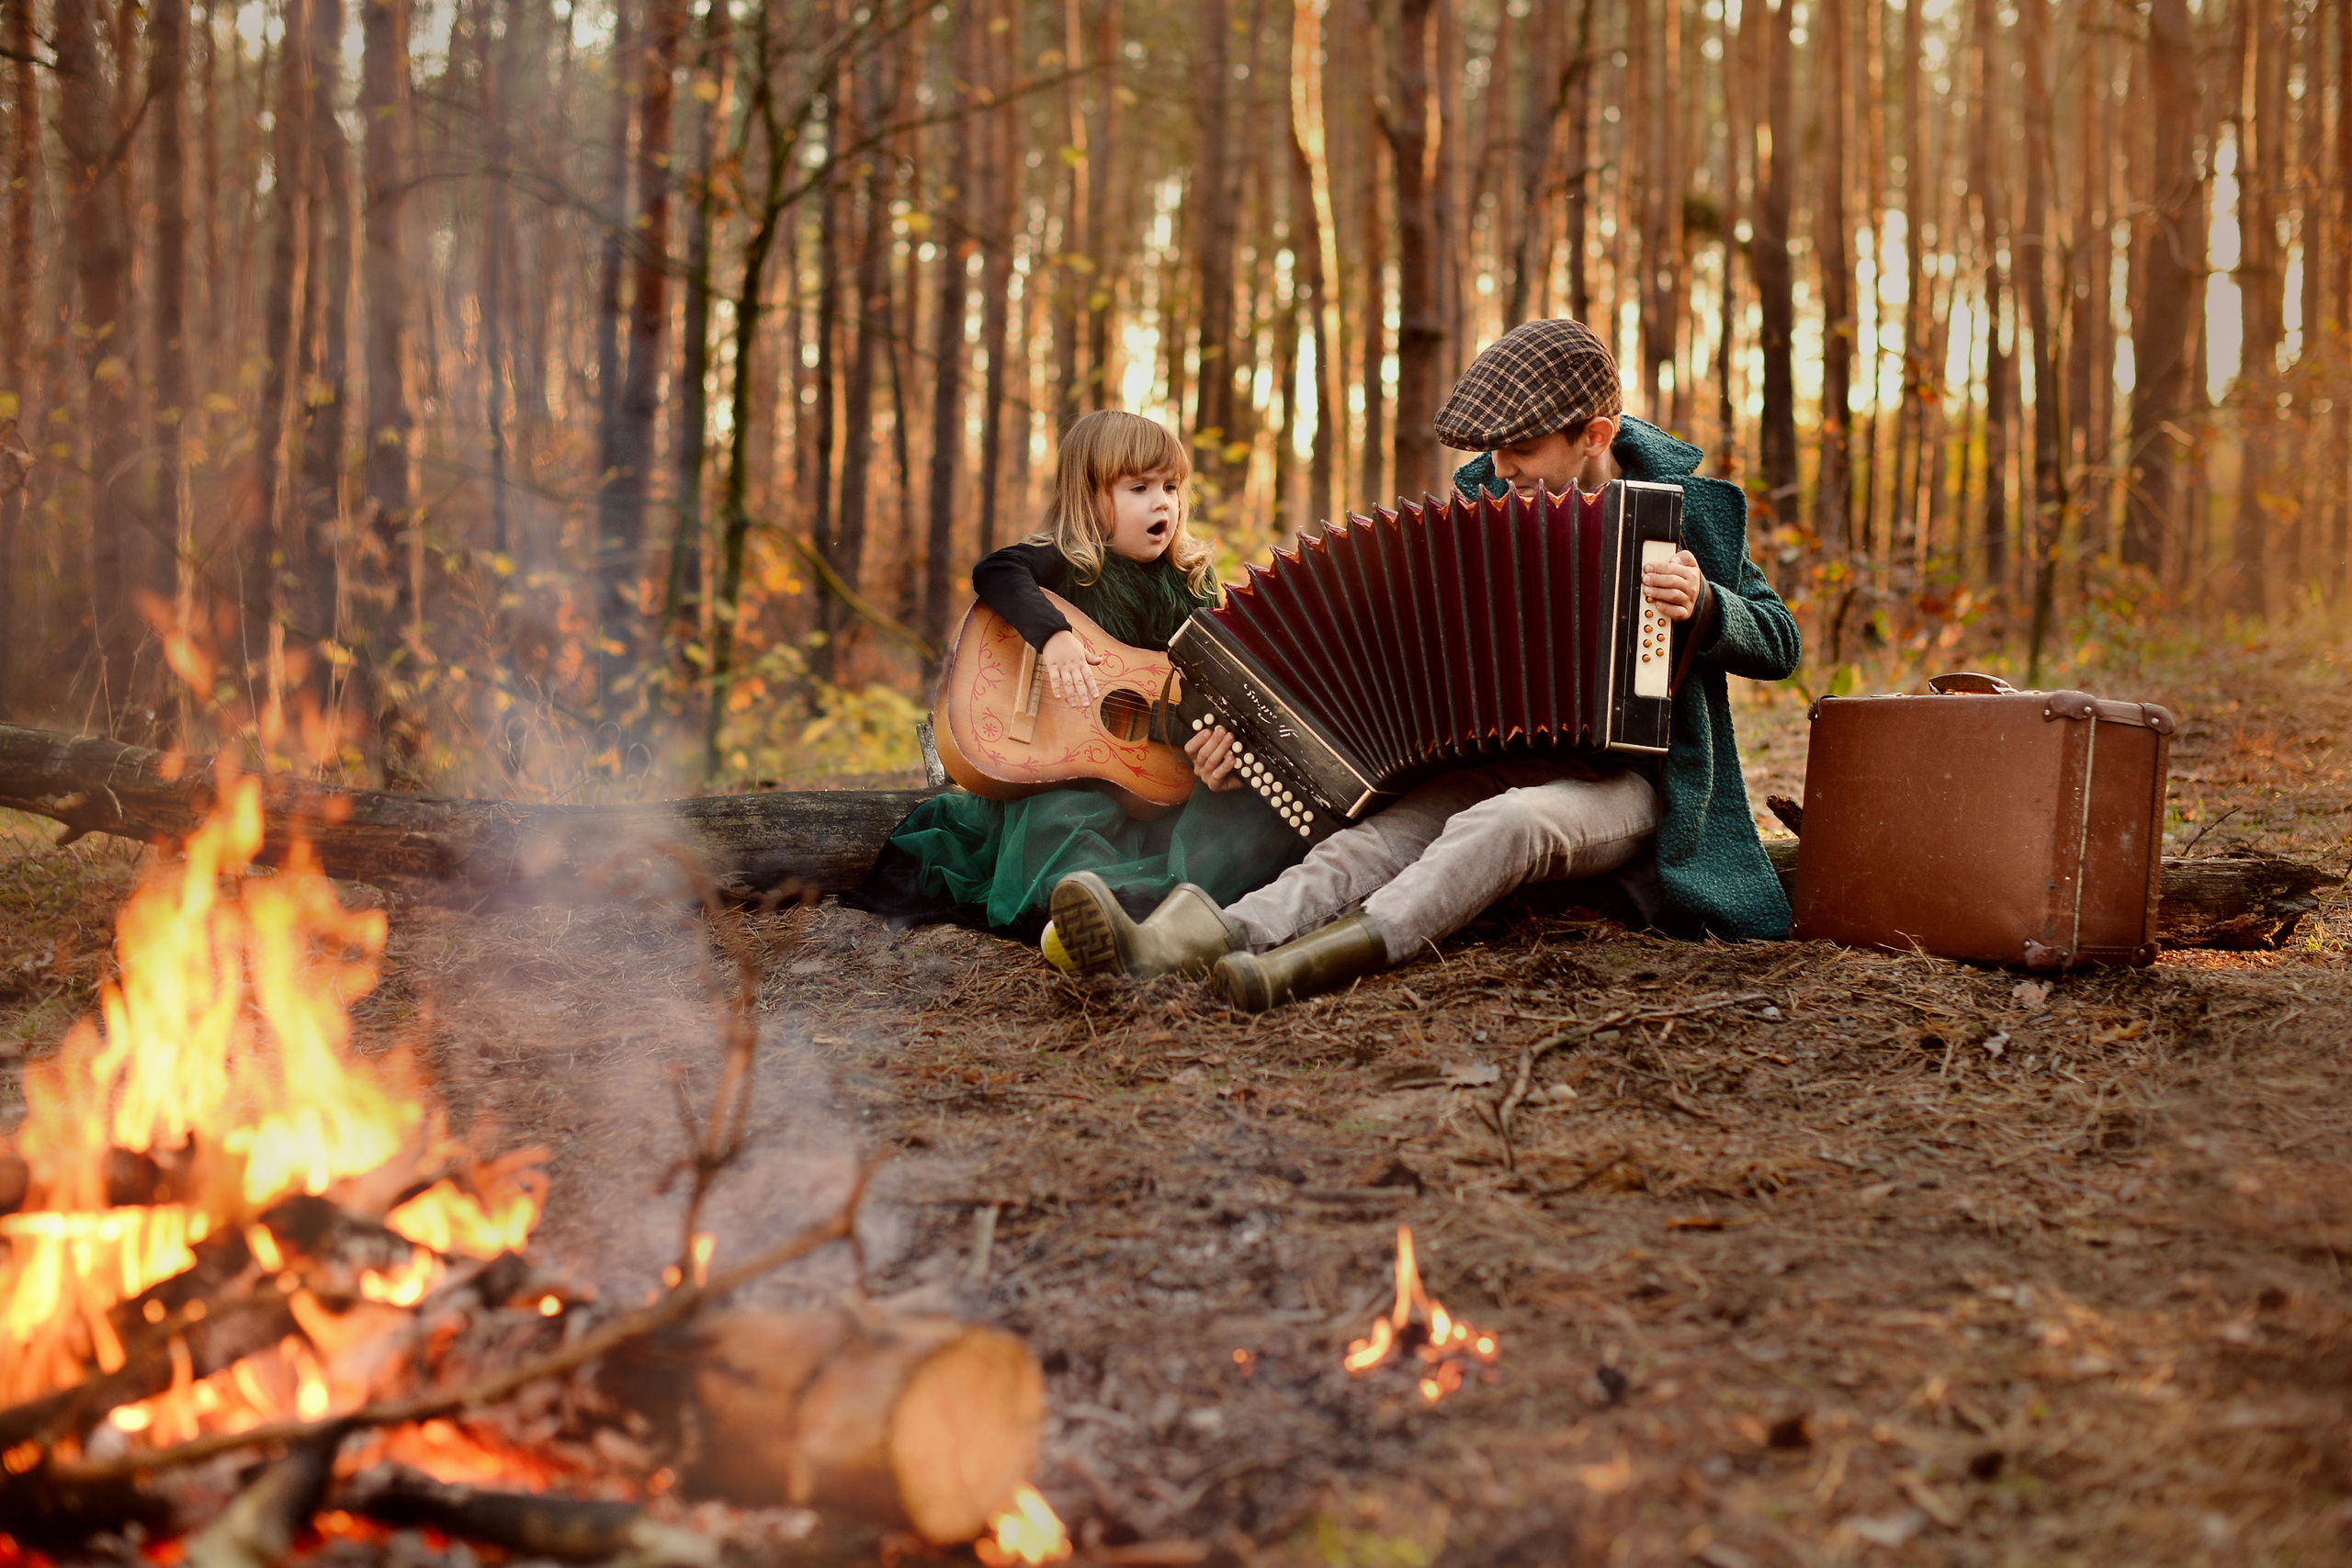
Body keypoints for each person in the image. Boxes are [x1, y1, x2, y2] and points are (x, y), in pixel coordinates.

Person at [1046, 319, 1802, 1009]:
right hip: (1505, 758)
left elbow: (1780, 640)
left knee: (1509, 823)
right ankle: (1185, 942)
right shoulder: (1489, 499)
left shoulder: (1686, 509)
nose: (1500, 466)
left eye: (1522, 448)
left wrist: (1707, 603)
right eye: (1492, 448)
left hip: (1635, 785)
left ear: (1595, 434)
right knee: (1373, 842)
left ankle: (1307, 964)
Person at [842, 410, 1306, 943]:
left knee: (1263, 813)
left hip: (1158, 788)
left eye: (1171, 487)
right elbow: (996, 570)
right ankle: (1103, 910)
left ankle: (1150, 910)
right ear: (1089, 497)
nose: (1162, 503)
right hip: (1069, 778)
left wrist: (1218, 754)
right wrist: (1054, 636)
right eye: (1139, 488)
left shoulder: (1194, 589)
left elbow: (1211, 701)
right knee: (1062, 820)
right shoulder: (1072, 564)